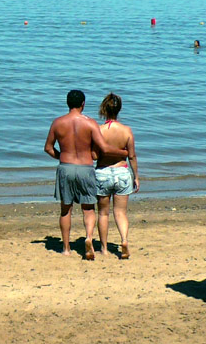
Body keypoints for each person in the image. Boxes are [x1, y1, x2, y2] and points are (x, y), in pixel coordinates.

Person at [44, 89, 127, 259]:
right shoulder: (90, 123)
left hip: (66, 167)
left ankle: (66, 249)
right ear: (83, 104)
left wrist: (61, 157)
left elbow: (48, 148)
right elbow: (103, 148)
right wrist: (123, 153)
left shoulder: (58, 122)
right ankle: (89, 238)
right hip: (85, 167)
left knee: (65, 210)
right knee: (88, 209)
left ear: (67, 103)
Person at [94, 93, 139, 259]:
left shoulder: (98, 130)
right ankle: (124, 240)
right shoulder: (126, 131)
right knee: (121, 212)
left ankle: (104, 248)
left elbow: (94, 155)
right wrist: (136, 176)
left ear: (104, 109)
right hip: (122, 171)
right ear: (119, 109)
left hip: (103, 172)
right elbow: (132, 156)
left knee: (103, 213)